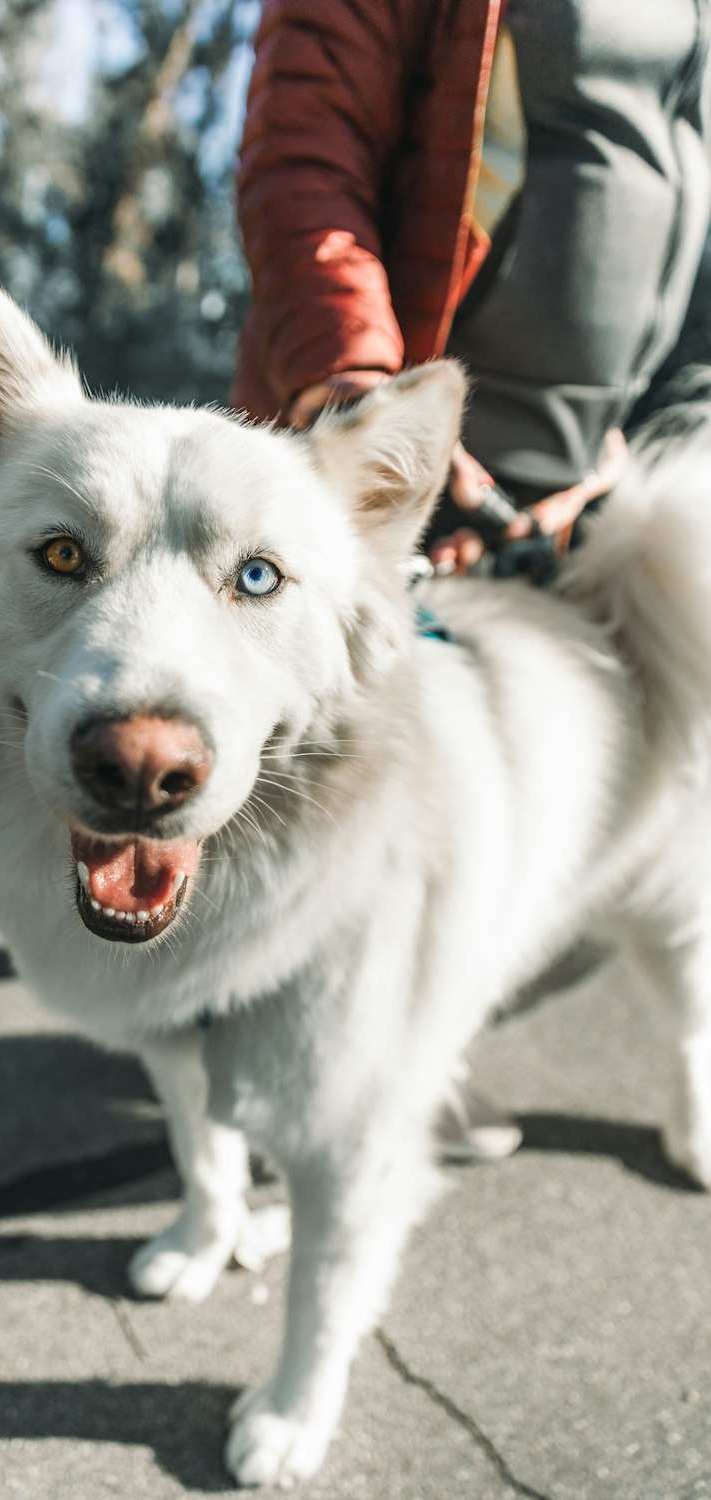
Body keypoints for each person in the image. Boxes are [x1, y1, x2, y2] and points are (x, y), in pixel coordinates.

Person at [232, 0, 711, 1155]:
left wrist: (669, 440)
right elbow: (305, 154)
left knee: (638, 790)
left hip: (605, 473)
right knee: (391, 789)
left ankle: (687, 1047)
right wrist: (371, 420)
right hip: (410, 448)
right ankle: (378, 1050)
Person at [233, 0, 711, 574]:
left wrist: (622, 446)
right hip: (399, 473)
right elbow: (307, 149)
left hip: (587, 505)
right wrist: (369, 415)